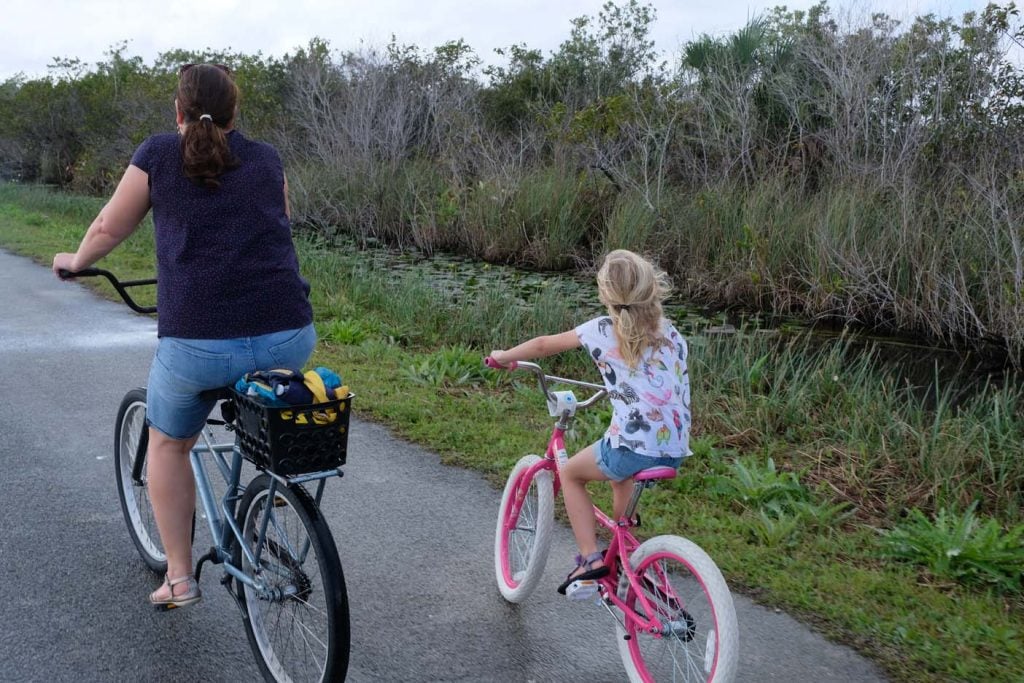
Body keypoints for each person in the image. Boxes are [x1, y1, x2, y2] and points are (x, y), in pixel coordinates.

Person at [52, 63, 316, 610]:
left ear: (177, 111)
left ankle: (178, 577)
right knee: (263, 411)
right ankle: (268, 492)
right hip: (289, 334)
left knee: (169, 444)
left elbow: (108, 227)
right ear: (234, 112)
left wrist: (76, 261)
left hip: (198, 344)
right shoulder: (267, 158)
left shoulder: (156, 154)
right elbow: (279, 227)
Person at [489, 249, 691, 595]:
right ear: (649, 287)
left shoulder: (602, 329)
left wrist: (503, 357)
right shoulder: (670, 332)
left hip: (633, 447)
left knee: (570, 473)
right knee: (618, 473)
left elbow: (541, 346)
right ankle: (627, 548)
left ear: (606, 294)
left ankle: (590, 559)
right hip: (674, 448)